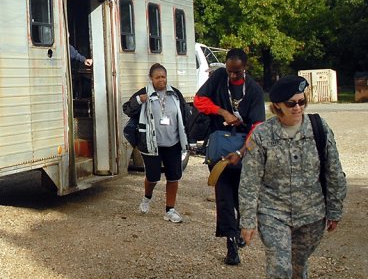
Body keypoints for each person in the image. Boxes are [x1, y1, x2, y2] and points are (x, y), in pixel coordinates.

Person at [239, 75, 347, 279]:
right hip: (273, 213)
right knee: (280, 269)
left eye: (301, 102)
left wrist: (335, 210)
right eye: (291, 104)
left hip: (311, 214)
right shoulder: (262, 135)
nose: (297, 107)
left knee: (298, 267)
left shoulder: (319, 128)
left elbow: (333, 171)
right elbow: (250, 180)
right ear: (278, 106)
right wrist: (247, 220)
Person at [194, 48, 265, 265]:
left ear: (245, 68)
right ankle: (231, 245)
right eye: (229, 71)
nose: (233, 75)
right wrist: (222, 112)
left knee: (241, 194)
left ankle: (242, 224)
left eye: (237, 72)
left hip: (245, 147)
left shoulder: (253, 90)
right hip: (220, 145)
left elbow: (257, 126)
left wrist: (242, 152)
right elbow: (199, 100)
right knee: (223, 195)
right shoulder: (218, 78)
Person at [123, 63, 189, 223]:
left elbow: (185, 116)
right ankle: (147, 198)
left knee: (174, 177)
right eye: (158, 77)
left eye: (163, 77)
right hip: (151, 144)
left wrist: (188, 139)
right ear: (151, 78)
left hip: (172, 143)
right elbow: (127, 109)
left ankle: (170, 210)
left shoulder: (175, 94)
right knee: (152, 177)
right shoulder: (144, 93)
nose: (161, 80)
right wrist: (139, 100)